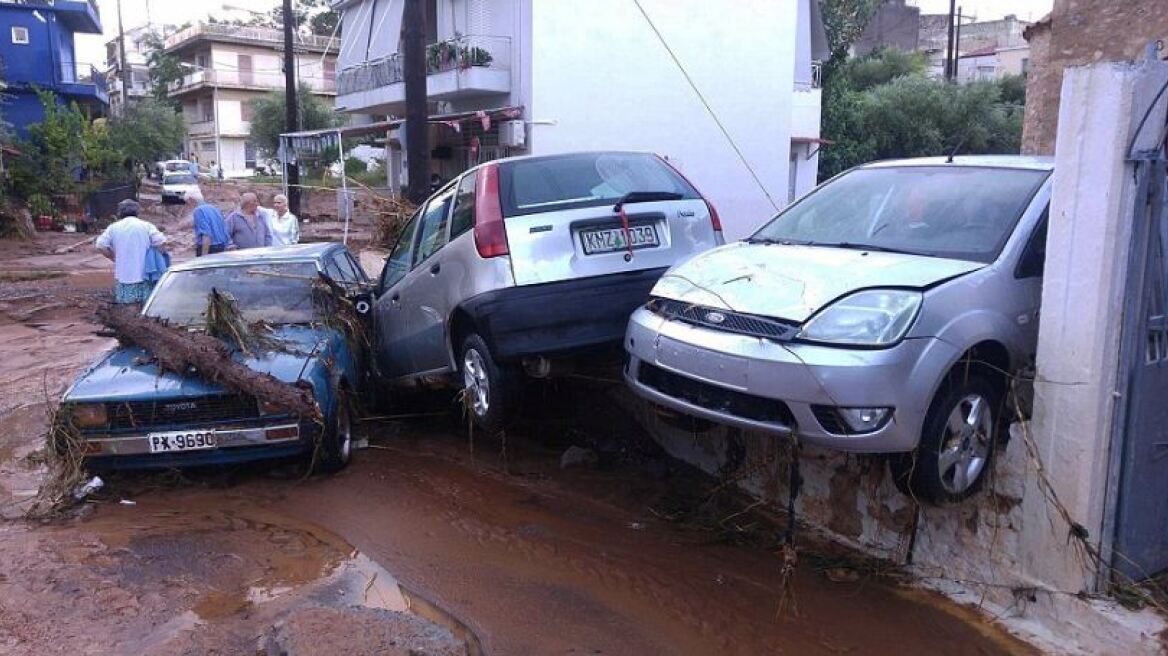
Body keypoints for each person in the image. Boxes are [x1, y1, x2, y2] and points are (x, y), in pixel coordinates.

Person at [95, 199, 167, 304]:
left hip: (123, 274)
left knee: (126, 307)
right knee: (145, 306)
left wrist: (112, 257)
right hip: (145, 274)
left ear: (120, 212)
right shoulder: (146, 226)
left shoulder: (113, 228)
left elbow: (100, 245)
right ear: (137, 212)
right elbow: (161, 242)